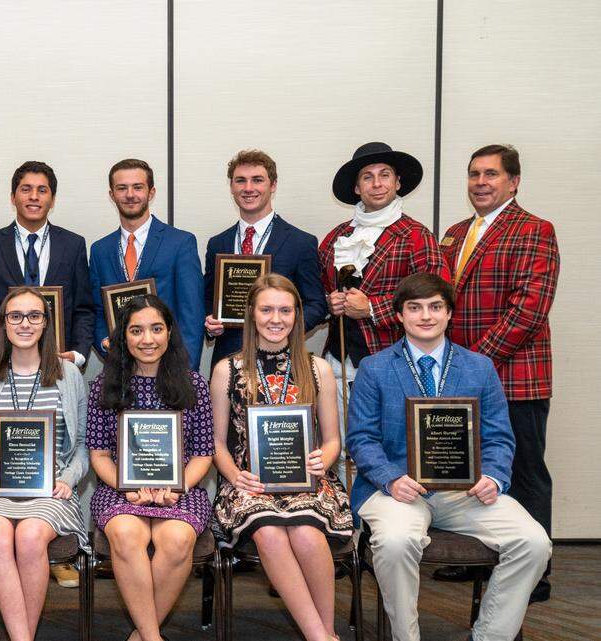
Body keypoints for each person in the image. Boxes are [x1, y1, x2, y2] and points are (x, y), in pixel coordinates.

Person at [347, 273, 550, 641]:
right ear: (399, 316)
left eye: (435, 307)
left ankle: (488, 635)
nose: (426, 316)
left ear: (449, 314)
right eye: (415, 308)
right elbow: (361, 439)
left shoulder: (479, 367)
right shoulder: (374, 369)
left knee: (534, 543)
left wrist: (494, 476)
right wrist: (391, 478)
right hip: (396, 490)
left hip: (467, 491)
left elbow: (500, 437)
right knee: (395, 542)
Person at [434, 144, 560, 601]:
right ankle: (471, 558)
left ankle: (535, 572)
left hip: (514, 377)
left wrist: (475, 365)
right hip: (461, 378)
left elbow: (528, 310)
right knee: (466, 471)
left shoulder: (534, 230)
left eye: (491, 174)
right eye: (473, 174)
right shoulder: (454, 233)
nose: (480, 182)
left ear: (514, 181)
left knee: (523, 471)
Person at [210, 274, 350, 641]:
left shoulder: (317, 368)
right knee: (270, 532)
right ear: (251, 314)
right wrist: (234, 475)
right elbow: (217, 443)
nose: (276, 318)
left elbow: (333, 439)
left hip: (309, 480)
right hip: (248, 484)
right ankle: (320, 637)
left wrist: (324, 458)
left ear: (297, 315)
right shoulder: (228, 369)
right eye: (267, 309)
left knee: (306, 533)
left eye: (285, 310)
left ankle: (326, 631)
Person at [86, 294, 214, 641]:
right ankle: (153, 637)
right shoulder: (104, 386)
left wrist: (176, 487)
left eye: (156, 329)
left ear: (169, 332)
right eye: (137, 330)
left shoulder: (194, 384)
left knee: (176, 538)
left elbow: (204, 453)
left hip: (181, 490)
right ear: (123, 337)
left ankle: (141, 636)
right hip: (120, 489)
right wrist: (125, 486)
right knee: (127, 534)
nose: (147, 339)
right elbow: (99, 455)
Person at [319, 143, 449, 475]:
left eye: (384, 175)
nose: (376, 184)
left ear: (397, 183)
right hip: (338, 361)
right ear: (356, 187)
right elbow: (317, 292)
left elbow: (438, 300)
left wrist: (374, 308)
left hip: (392, 362)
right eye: (368, 177)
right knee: (341, 447)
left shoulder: (417, 236)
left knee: (386, 449)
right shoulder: (335, 237)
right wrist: (329, 302)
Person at [0, 287, 91, 639]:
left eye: (34, 316)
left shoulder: (69, 376)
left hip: (50, 490)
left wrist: (69, 478)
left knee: (31, 536)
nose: (25, 323)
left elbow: (81, 445)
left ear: (46, 323)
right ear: (3, 324)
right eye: (15, 316)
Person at [203, 150, 326, 369]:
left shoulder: (301, 242)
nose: (248, 188)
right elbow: (207, 299)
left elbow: (316, 303)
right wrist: (209, 322)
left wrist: (284, 327)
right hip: (228, 361)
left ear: (273, 185)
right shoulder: (217, 244)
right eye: (241, 181)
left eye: (257, 180)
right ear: (231, 186)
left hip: (282, 359)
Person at [0, 161, 96, 369]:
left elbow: (83, 308)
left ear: (52, 199)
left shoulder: (73, 245)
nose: (34, 196)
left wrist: (77, 354)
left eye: (42, 190)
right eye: (26, 189)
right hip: (4, 365)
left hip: (59, 364)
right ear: (13, 197)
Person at [89, 158, 205, 369]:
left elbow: (192, 315)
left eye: (138, 187)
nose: (130, 194)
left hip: (171, 370)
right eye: (122, 188)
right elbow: (97, 311)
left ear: (151, 192)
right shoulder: (100, 250)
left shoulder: (180, 243)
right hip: (120, 374)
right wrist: (105, 343)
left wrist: (186, 373)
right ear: (112, 194)